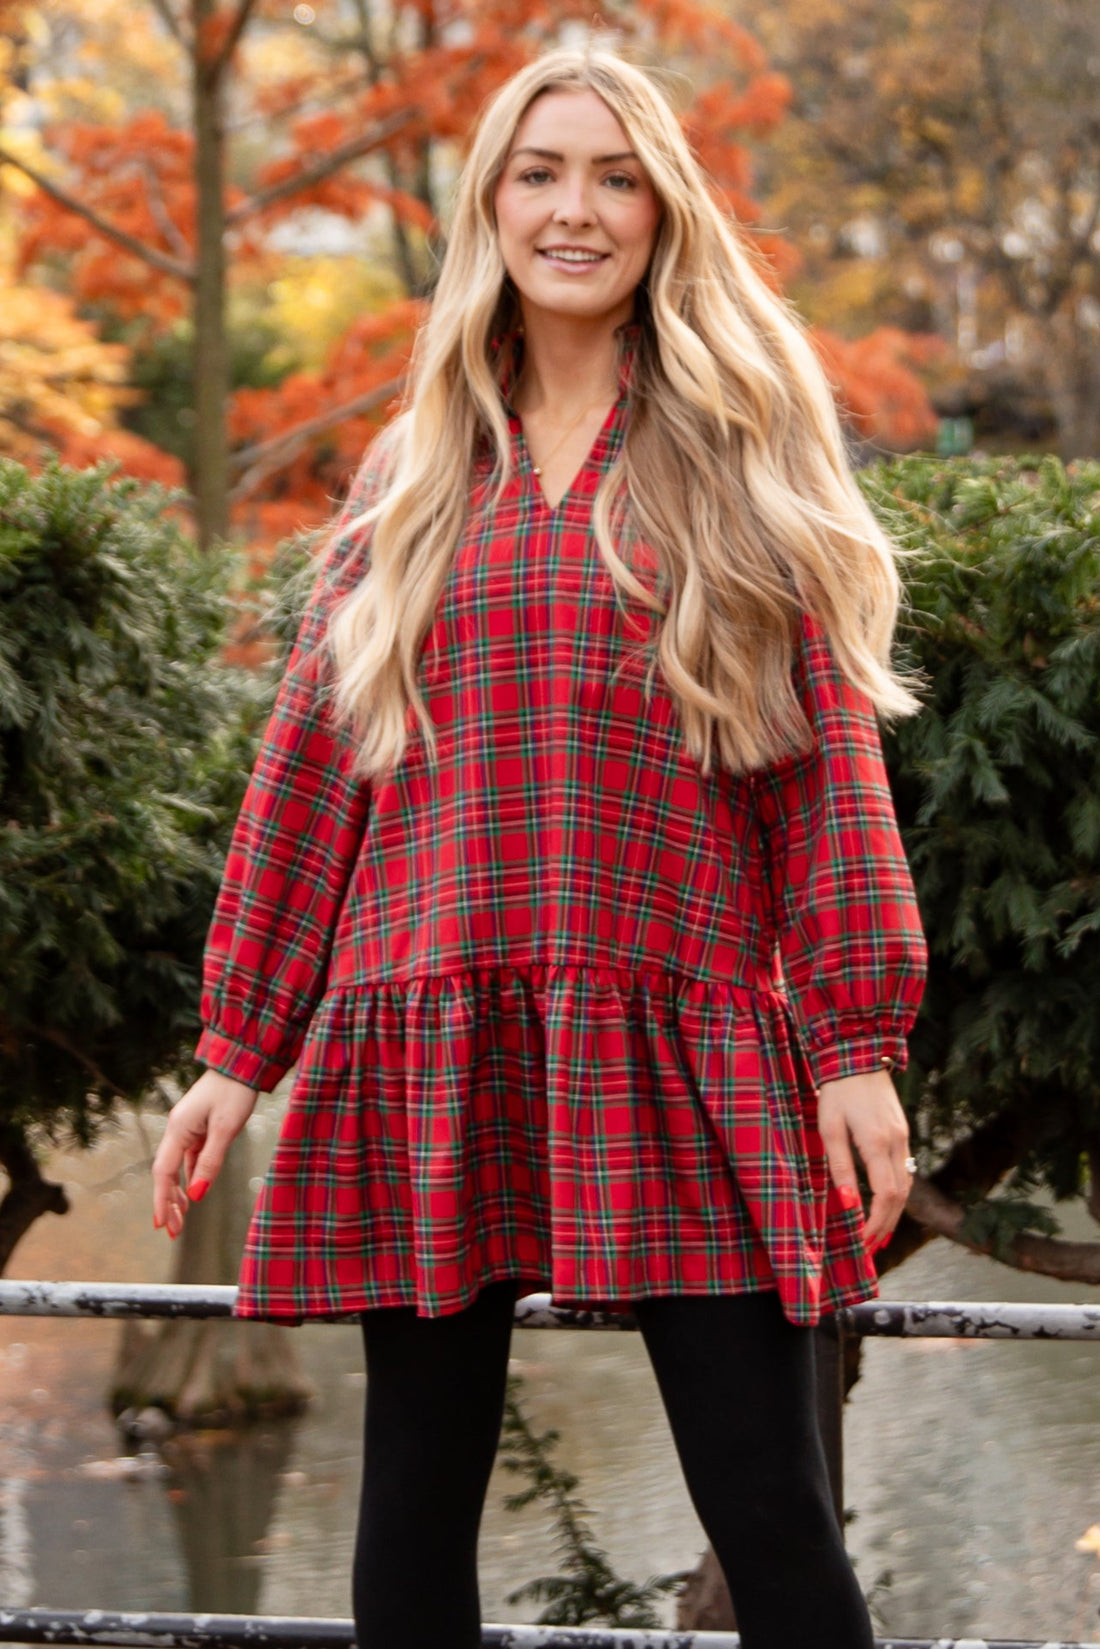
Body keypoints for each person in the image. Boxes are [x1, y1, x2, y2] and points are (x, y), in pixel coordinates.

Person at [152, 44, 927, 1649]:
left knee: (774, 1510)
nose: (575, 209)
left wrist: (855, 1040)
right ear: (490, 204)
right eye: (540, 172)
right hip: (425, 1025)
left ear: (662, 210)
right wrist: (239, 1045)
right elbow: (311, 768)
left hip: (680, 1031)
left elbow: (823, 765)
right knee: (412, 1512)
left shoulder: (734, 450)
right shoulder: (413, 474)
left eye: (615, 175)